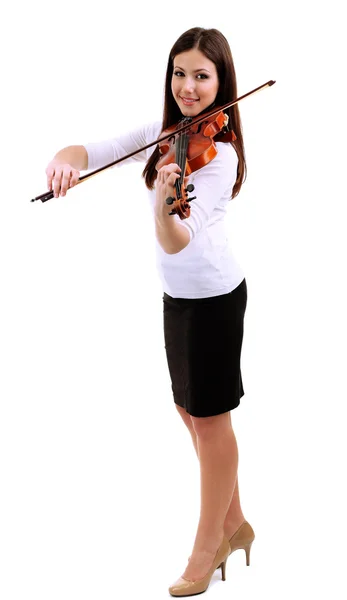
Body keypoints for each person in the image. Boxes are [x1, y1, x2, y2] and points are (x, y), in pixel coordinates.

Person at [45, 26, 255, 597]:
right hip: (179, 299)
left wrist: (166, 204)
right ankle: (235, 524)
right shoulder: (166, 134)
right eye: (179, 73)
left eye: (202, 76)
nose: (188, 87)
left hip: (213, 299)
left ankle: (207, 546)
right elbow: (94, 151)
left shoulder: (219, 157)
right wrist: (65, 159)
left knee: (211, 421)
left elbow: (177, 239)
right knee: (189, 413)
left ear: (222, 82)